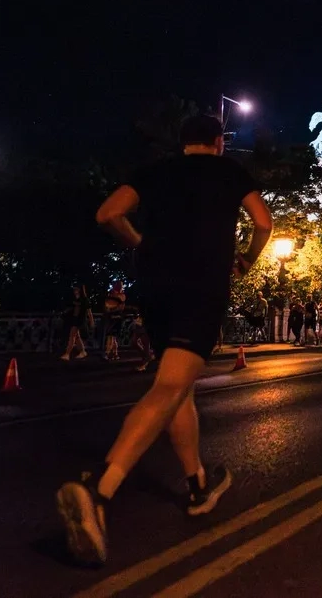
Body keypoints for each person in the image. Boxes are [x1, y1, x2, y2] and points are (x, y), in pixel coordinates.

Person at [55, 114, 273, 567]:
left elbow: (107, 213)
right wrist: (247, 260)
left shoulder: (155, 171)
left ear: (183, 142)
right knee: (171, 386)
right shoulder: (229, 171)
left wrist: (137, 241)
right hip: (201, 290)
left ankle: (197, 485)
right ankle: (100, 491)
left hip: (154, 290)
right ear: (218, 142)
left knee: (179, 389)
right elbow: (263, 222)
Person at [61, 285, 94, 360]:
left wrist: (91, 321)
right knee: (77, 337)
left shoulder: (84, 300)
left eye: (76, 289)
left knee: (72, 336)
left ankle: (67, 354)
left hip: (80, 319)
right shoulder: (75, 299)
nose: (75, 290)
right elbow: (71, 308)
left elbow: (89, 312)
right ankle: (83, 351)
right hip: (75, 319)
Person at [102, 281, 127, 361]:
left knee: (111, 336)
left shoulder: (121, 295)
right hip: (112, 317)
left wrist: (111, 309)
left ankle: (107, 353)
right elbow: (107, 304)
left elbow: (121, 307)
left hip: (117, 318)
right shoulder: (111, 294)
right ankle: (115, 354)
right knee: (113, 336)